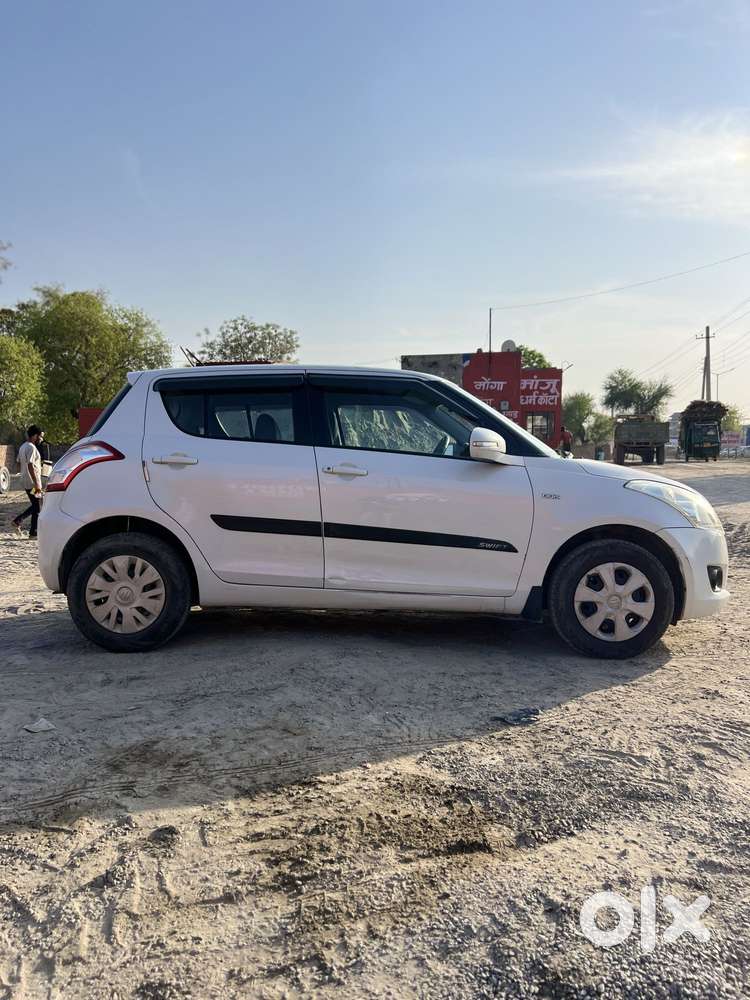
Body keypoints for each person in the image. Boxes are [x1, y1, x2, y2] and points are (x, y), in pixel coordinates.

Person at [12, 425, 44, 539]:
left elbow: (18, 462)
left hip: (25, 480)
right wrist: (36, 483)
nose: (41, 438)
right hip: (32, 482)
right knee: (38, 505)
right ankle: (32, 532)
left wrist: (22, 473)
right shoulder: (31, 447)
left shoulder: (23, 446)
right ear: (35, 435)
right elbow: (30, 464)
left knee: (37, 504)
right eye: (40, 436)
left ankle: (18, 521)